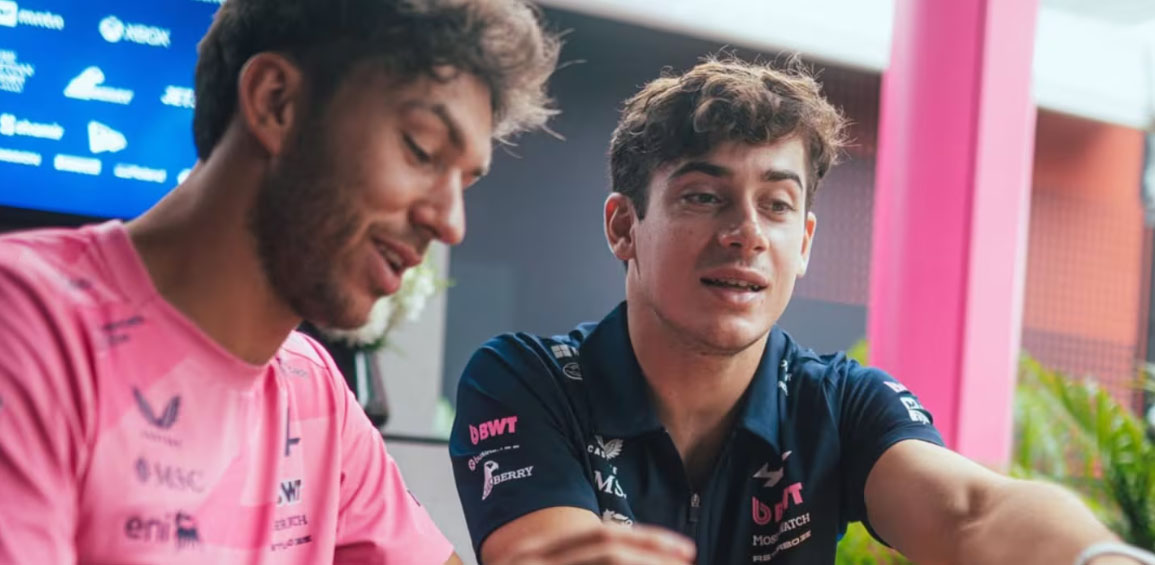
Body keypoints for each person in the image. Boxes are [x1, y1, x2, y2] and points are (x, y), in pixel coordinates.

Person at [449, 56, 1145, 564]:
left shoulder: (838, 403)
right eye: (703, 196)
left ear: (804, 242)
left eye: (777, 205)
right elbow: (549, 553)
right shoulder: (526, 380)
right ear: (623, 226)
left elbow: (970, 510)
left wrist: (1098, 557)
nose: (746, 233)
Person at [0, 0, 558, 563]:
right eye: (421, 150)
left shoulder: (312, 388)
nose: (450, 223)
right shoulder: (25, 323)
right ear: (276, 102)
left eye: (465, 183)